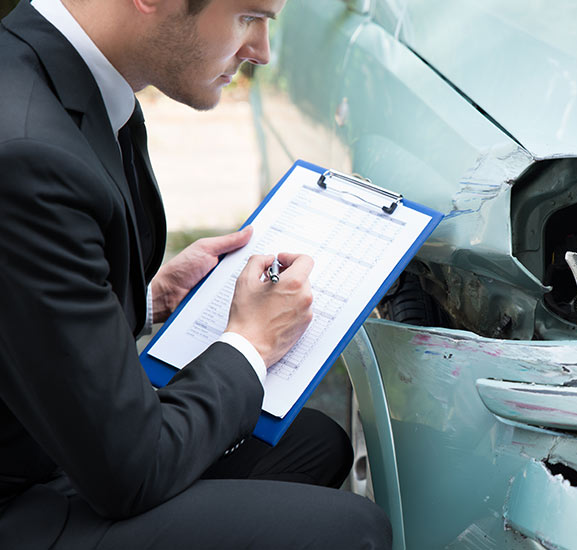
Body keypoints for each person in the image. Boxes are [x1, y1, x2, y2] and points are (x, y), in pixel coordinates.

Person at [0, 0, 392, 548]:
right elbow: (128, 474)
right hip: (20, 496)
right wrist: (250, 343)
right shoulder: (28, 152)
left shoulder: (56, 80)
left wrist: (150, 299)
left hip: (44, 442)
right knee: (356, 530)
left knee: (314, 442)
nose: (261, 51)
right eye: (247, 17)